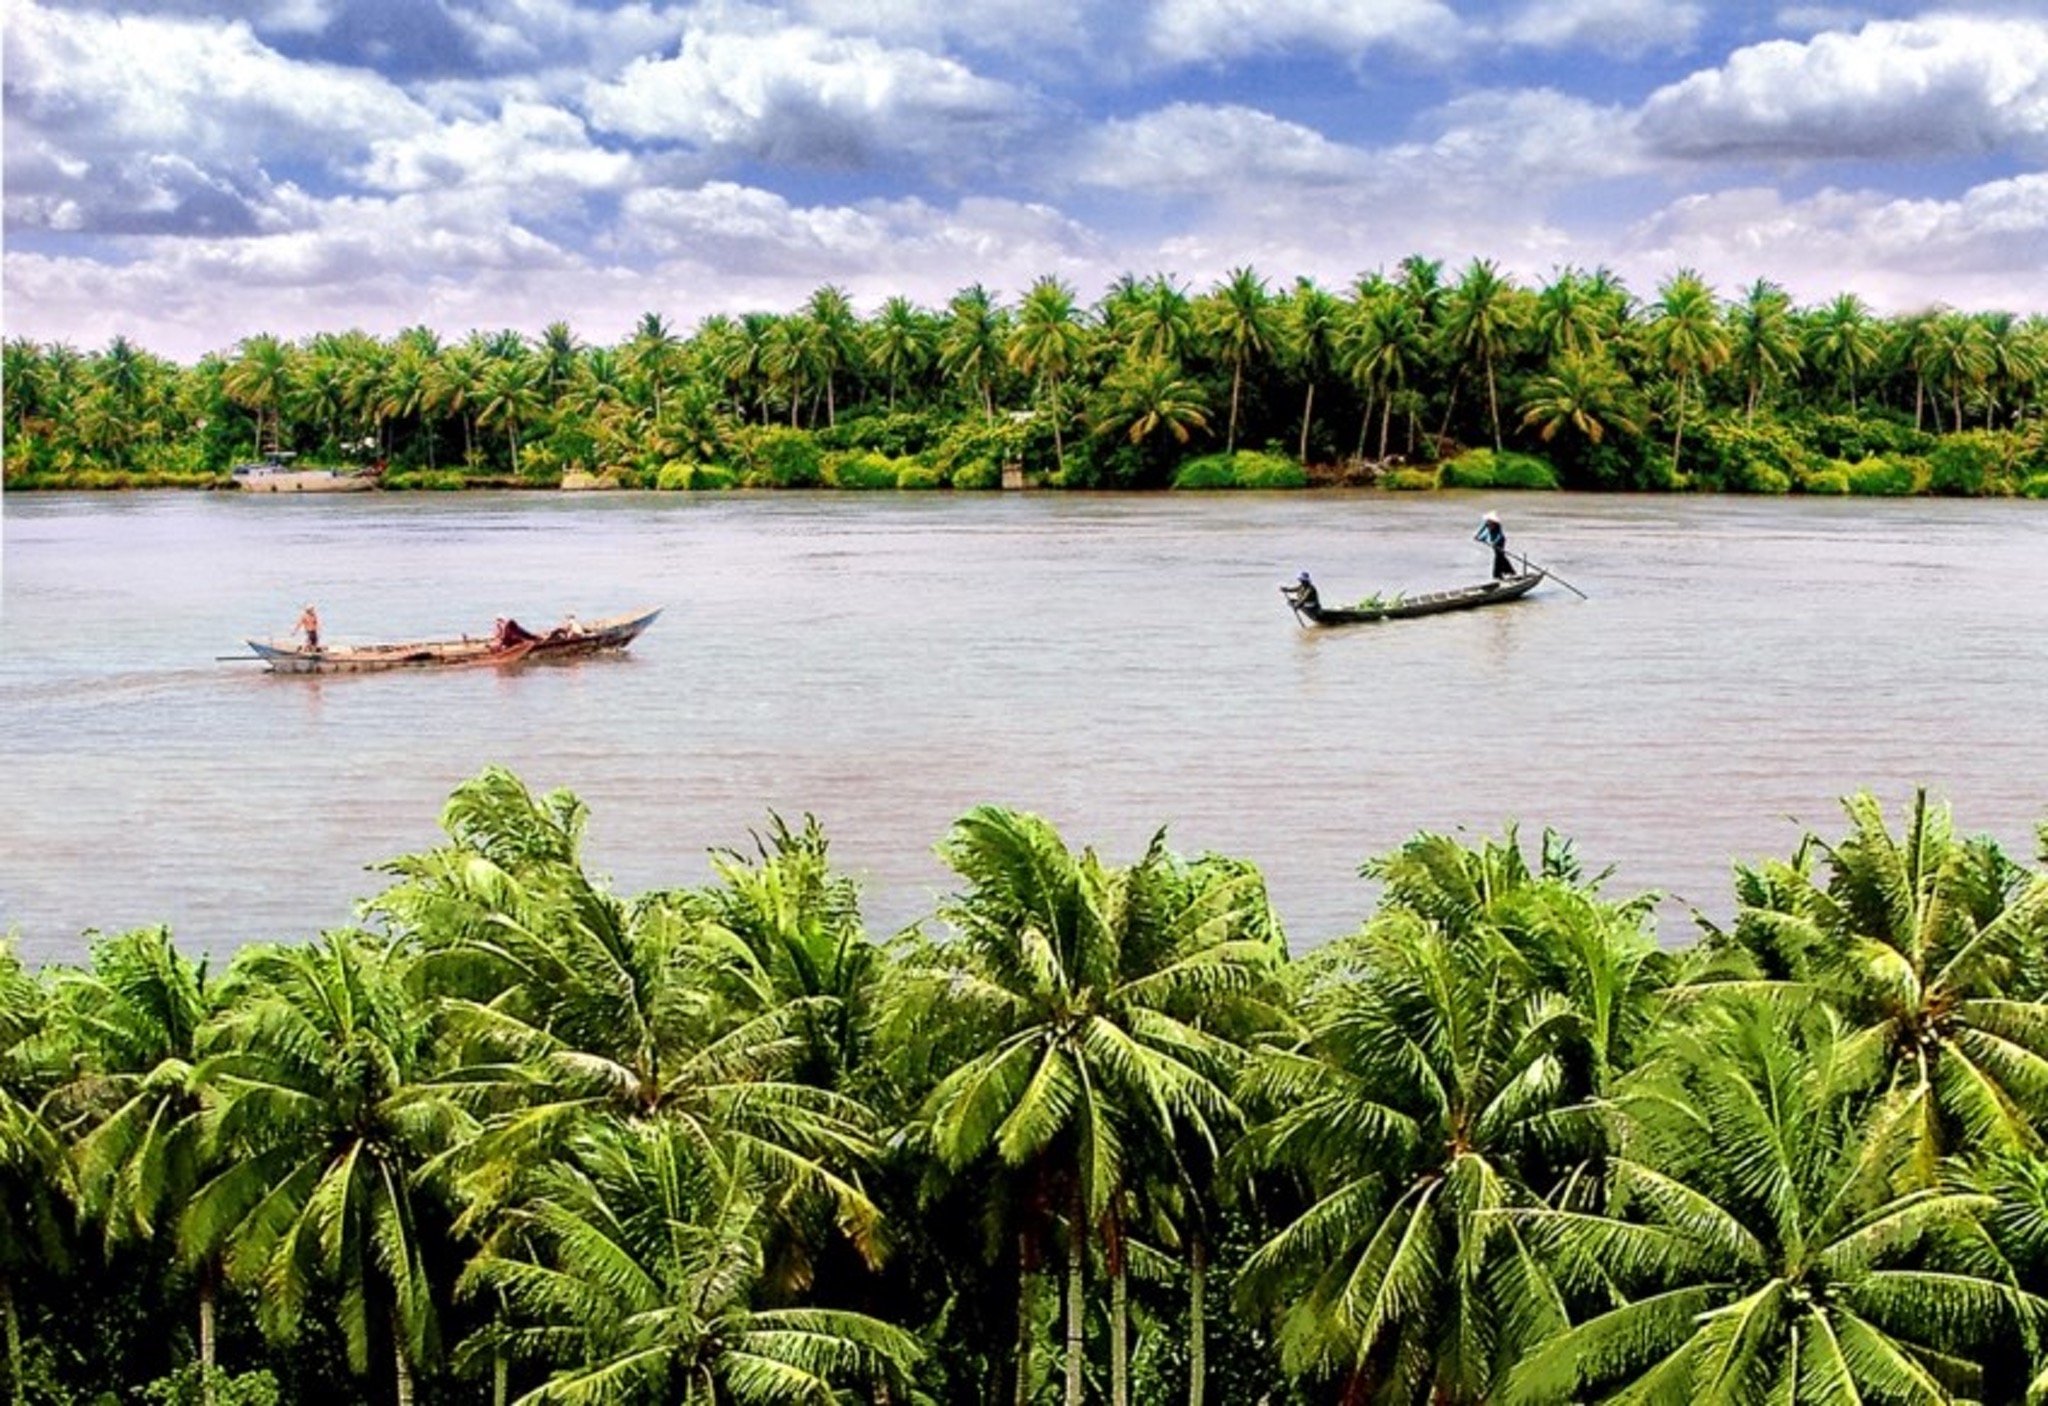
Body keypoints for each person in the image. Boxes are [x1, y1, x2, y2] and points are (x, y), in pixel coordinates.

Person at [1474, 510, 1514, 580]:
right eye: (1488, 521)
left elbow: (1500, 535)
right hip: (1492, 541)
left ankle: (1498, 574)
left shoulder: (1498, 525)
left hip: (1500, 541)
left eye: (1490, 521)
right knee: (1501, 557)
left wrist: (1495, 542)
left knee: (1499, 557)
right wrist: (1477, 536)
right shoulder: (1486, 523)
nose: (1489, 522)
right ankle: (1509, 572)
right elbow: (1482, 530)